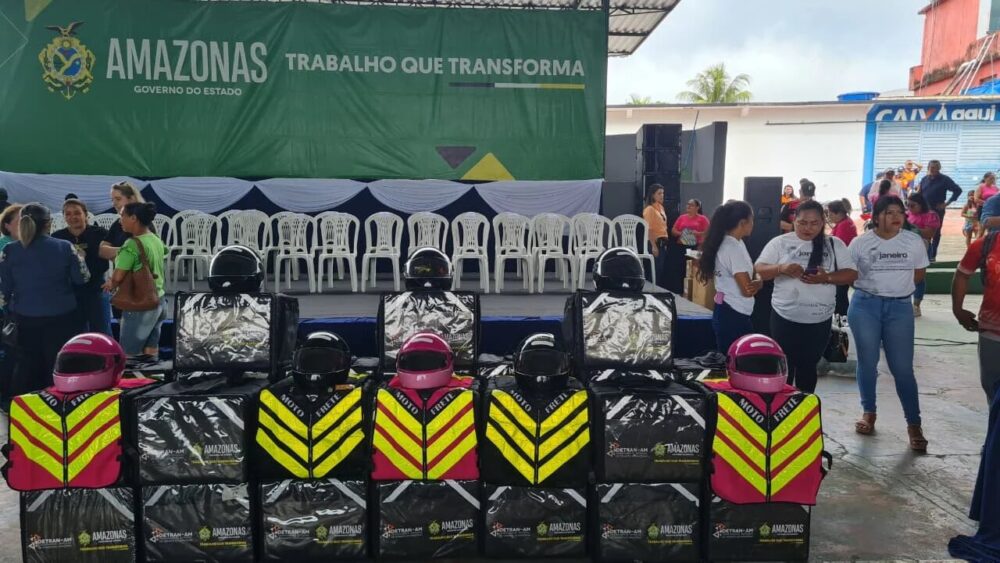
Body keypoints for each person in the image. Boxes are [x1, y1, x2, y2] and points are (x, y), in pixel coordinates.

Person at [848, 196, 929, 452]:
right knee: (868, 362)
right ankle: (869, 412)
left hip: (900, 308)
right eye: (889, 212)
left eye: (899, 213)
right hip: (865, 306)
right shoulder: (860, 243)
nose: (896, 217)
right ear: (876, 217)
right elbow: (850, 274)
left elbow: (919, 274)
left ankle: (914, 424)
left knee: (902, 368)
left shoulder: (913, 241)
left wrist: (896, 290)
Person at [754, 201, 857, 392]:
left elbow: (851, 274)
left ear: (823, 222)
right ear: (794, 221)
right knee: (784, 367)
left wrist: (826, 277)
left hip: (819, 320)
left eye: (814, 223)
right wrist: (781, 268)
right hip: (784, 316)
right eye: (802, 223)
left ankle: (805, 406)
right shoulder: (780, 243)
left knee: (808, 367)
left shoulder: (834, 244)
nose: (808, 228)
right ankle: (783, 406)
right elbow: (759, 269)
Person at [0, 204, 88, 397]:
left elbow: (4, 290)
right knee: (58, 365)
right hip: (62, 317)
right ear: (49, 224)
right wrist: (80, 258)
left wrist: (8, 313)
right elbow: (82, 279)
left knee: (27, 366)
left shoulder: (10, 250)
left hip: (25, 318)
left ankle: (24, 406)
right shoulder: (64, 247)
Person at [102, 202, 166, 361]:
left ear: (134, 218)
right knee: (150, 354)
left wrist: (110, 283)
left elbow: (118, 276)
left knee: (129, 356)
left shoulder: (132, 244)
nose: (120, 220)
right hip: (159, 300)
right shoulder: (155, 239)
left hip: (141, 306)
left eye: (122, 216)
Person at [698, 200, 761, 352]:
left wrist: (758, 279)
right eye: (752, 219)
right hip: (733, 313)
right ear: (743, 223)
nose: (753, 224)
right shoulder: (732, 248)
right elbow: (748, 290)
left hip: (728, 309)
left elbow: (753, 271)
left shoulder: (735, 243)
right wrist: (759, 282)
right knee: (734, 359)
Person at [953, 230, 1000, 404]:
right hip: (993, 331)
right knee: (992, 388)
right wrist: (958, 309)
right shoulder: (988, 243)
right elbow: (962, 274)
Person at [53, 199, 112, 335]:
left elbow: (120, 253)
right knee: (74, 333)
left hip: (96, 288)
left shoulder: (100, 234)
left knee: (102, 331)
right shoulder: (58, 237)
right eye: (68, 214)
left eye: (77, 213)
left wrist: (113, 279)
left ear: (85, 215)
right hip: (71, 291)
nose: (73, 217)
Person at [917, 160, 963, 262]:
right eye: (931, 167)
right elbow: (919, 193)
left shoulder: (945, 179)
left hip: (937, 211)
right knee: (924, 232)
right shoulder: (924, 179)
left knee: (936, 232)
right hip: (924, 210)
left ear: (939, 168)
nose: (932, 169)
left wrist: (946, 204)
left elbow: (958, 190)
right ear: (928, 168)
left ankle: (932, 256)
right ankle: (924, 254)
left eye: (935, 167)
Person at [906, 192, 941, 317]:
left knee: (919, 276)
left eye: (913, 205)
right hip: (906, 248)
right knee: (906, 276)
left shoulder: (930, 215)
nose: (910, 208)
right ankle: (905, 303)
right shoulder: (907, 214)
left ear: (921, 204)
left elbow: (930, 233)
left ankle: (916, 305)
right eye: (907, 205)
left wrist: (914, 229)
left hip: (922, 246)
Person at [99, 180, 144, 261]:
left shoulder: (143, 222)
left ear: (132, 199)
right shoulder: (117, 223)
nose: (114, 204)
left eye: (118, 199)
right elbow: (102, 251)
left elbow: (141, 253)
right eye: (112, 200)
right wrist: (124, 250)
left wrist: (113, 253)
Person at [827, 198, 857, 316]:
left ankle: (842, 319)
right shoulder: (845, 222)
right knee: (840, 296)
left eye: (830, 214)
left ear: (838, 213)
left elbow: (837, 246)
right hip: (844, 265)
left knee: (840, 296)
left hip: (842, 266)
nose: (829, 217)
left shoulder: (843, 225)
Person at [642, 184, 668, 284]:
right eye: (659, 193)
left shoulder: (661, 207)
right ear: (653, 195)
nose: (662, 195)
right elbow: (649, 228)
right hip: (654, 242)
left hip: (663, 241)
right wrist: (653, 246)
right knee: (655, 269)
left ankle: (655, 287)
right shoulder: (649, 209)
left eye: (663, 193)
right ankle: (651, 289)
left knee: (659, 269)